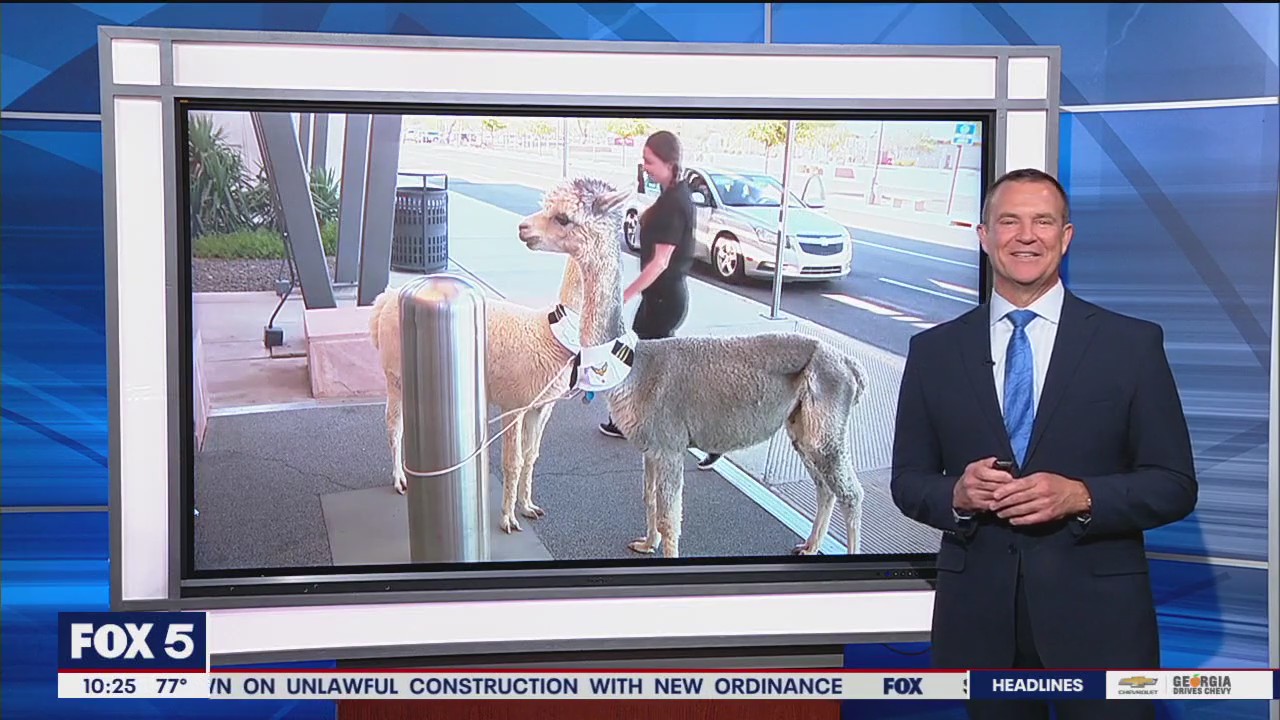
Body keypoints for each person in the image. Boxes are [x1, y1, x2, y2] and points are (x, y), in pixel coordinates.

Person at [890, 168, 1197, 720]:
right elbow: (908, 481)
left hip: (1102, 626)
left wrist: (1081, 496)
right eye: (1009, 221)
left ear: (1066, 236)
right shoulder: (934, 351)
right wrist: (956, 495)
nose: (1025, 235)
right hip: (980, 628)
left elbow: (1173, 484)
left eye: (1042, 221)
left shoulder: (1131, 345)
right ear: (984, 236)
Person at [597, 131, 721, 470]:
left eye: (650, 162)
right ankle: (633, 422)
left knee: (640, 362)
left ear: (669, 163)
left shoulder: (673, 202)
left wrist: (624, 294)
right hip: (663, 299)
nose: (646, 168)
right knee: (653, 367)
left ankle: (708, 434)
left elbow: (660, 263)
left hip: (664, 300)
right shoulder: (676, 193)